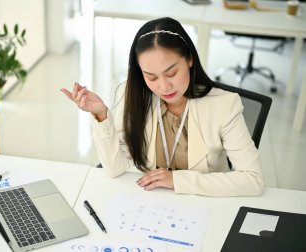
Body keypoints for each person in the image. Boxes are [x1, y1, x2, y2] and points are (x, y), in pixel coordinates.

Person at [61, 17, 264, 197]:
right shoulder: (133, 94)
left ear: (190, 59)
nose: (163, 87)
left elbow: (253, 180)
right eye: (151, 77)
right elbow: (115, 168)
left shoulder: (225, 105)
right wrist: (102, 116)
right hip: (152, 204)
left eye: (171, 73)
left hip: (205, 203)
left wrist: (177, 180)